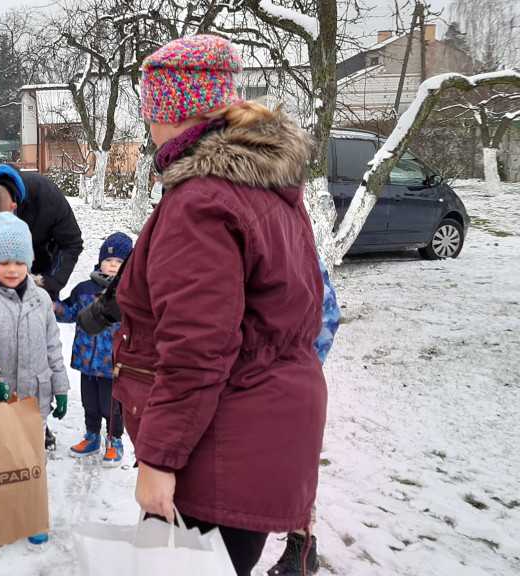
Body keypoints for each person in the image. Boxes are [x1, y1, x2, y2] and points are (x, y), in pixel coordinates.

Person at [114, 35, 326, 576]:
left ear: (173, 113)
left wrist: (158, 460)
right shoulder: (264, 186)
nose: (148, 124)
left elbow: (196, 347)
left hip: (216, 452)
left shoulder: (202, 199)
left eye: (151, 110)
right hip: (259, 435)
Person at [0, 211, 70, 545]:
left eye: (19, 261)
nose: (12, 269)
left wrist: (60, 386)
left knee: (29, 461)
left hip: (33, 400)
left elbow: (53, 344)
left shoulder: (41, 299)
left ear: (29, 262)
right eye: (4, 261)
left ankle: (30, 514)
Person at [268, 253, 341, 576]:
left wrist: (301, 367)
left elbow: (328, 316)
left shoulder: (299, 250)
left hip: (289, 386)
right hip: (240, 386)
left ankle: (301, 550)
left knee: (293, 471)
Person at [54, 232, 133, 466]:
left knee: (110, 406)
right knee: (90, 403)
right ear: (100, 261)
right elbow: (70, 313)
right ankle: (91, 436)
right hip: (86, 361)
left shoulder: (129, 294)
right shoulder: (84, 289)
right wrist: (52, 306)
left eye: (119, 262)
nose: (112, 266)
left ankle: (114, 439)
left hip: (113, 365)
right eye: (108, 260)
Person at [0, 164, 83, 301]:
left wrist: (49, 286)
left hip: (41, 272)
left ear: (13, 208)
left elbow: (70, 243)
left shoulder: (47, 195)